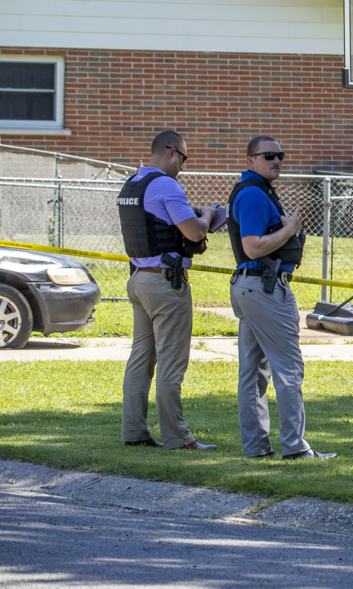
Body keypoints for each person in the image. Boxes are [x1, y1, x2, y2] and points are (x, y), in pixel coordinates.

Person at [227, 136, 332, 460]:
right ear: (251, 161)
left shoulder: (255, 192)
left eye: (280, 155)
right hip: (265, 287)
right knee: (288, 368)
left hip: (252, 286)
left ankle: (257, 448)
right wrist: (289, 230)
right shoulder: (255, 195)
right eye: (269, 155)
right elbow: (253, 246)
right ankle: (295, 448)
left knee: (253, 372)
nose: (277, 161)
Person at [117, 130, 216, 450]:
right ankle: (179, 438)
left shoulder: (131, 184)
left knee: (140, 361)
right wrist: (209, 216)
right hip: (164, 283)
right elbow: (192, 231)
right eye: (184, 159)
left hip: (138, 280)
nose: (183, 167)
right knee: (172, 363)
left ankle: (134, 432)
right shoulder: (166, 184)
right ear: (171, 153)